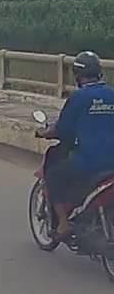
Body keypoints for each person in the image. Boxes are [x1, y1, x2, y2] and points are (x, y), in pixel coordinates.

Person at [36, 51, 114, 241]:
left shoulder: (78, 97)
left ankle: (63, 223)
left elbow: (63, 130)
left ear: (77, 75)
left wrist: (44, 132)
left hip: (88, 163)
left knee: (53, 174)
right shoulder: (111, 94)